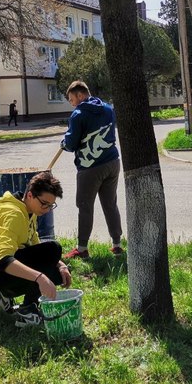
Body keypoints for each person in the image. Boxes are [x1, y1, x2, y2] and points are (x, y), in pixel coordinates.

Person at [0, 171, 72, 327]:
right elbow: (3, 260)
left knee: (58, 272)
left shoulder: (29, 211)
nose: (47, 209)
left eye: (51, 205)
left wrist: (61, 265)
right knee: (53, 249)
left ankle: (3, 295)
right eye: (44, 203)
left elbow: (35, 248)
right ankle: (27, 311)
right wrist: (40, 278)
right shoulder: (14, 214)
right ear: (30, 195)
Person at [61, 80, 124, 259]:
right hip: (112, 162)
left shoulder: (78, 114)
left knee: (85, 206)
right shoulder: (108, 109)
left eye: (71, 98)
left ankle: (81, 249)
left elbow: (71, 144)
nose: (71, 103)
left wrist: (64, 143)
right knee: (110, 204)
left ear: (80, 95)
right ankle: (117, 245)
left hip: (90, 167)